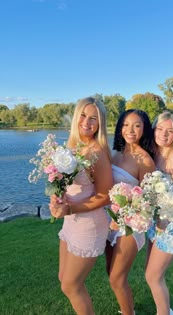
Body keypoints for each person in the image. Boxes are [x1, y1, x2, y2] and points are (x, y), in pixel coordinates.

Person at [49, 97, 113, 315]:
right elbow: (66, 186)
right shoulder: (74, 147)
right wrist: (57, 200)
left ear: (100, 124)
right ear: (76, 117)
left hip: (89, 225)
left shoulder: (97, 153)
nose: (87, 122)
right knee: (63, 279)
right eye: (83, 116)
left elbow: (106, 196)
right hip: (71, 221)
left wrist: (70, 208)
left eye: (94, 118)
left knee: (71, 285)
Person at [105, 109, 156, 315]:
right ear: (119, 128)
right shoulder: (115, 154)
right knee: (111, 272)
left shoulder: (145, 161)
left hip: (130, 226)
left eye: (137, 125)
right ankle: (128, 308)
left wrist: (123, 218)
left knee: (117, 277)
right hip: (109, 221)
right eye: (126, 125)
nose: (130, 130)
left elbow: (149, 201)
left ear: (144, 129)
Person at [145, 111, 173, 315]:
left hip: (172, 226)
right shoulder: (151, 154)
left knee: (153, 277)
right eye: (160, 129)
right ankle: (163, 309)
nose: (164, 134)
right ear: (154, 129)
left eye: (170, 131)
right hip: (156, 223)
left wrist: (165, 219)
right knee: (152, 274)